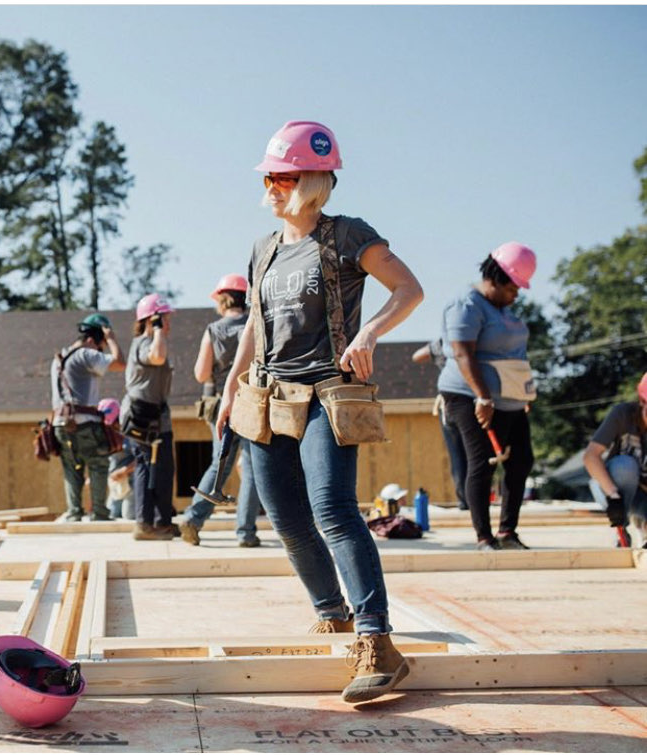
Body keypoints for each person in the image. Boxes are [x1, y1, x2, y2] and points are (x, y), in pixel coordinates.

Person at [216, 120, 424, 704]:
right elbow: (256, 325)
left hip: (327, 394)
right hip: (269, 398)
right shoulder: (263, 248)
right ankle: (330, 612)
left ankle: (377, 641)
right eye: (269, 176)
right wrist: (233, 387)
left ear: (312, 179)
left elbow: (409, 289)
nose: (271, 186)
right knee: (284, 518)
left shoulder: (347, 235)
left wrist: (371, 335)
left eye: (282, 176)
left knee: (332, 510)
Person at [437, 243, 537, 551]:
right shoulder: (466, 306)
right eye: (513, 287)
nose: (516, 294)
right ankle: (484, 537)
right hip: (469, 396)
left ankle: (508, 531)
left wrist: (523, 392)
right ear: (495, 278)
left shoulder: (502, 310)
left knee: (521, 460)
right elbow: (462, 353)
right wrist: (483, 397)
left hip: (510, 397)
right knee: (483, 463)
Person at [179, 274, 261, 547]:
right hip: (252, 401)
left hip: (221, 405)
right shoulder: (256, 325)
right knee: (250, 467)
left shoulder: (214, 330)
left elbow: (202, 374)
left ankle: (193, 517)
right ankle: (246, 533)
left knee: (220, 463)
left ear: (223, 299)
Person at [50, 314, 125, 521]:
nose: (100, 351)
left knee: (72, 468)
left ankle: (74, 513)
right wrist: (111, 339)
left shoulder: (59, 358)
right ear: (93, 339)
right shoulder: (85, 354)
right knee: (98, 463)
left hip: (60, 424)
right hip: (84, 422)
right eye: (100, 346)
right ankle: (100, 513)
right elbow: (120, 363)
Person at [123, 293, 178, 540]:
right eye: (164, 318)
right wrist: (156, 329)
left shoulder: (156, 341)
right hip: (142, 415)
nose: (168, 323)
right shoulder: (144, 343)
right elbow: (157, 357)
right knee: (148, 467)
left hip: (157, 415)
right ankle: (145, 524)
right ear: (151, 320)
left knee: (164, 468)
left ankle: (162, 521)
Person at [583, 371, 647, 547]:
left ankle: (643, 525)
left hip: (643, 497)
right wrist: (614, 496)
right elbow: (590, 456)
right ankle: (622, 531)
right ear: (642, 402)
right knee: (625, 466)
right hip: (613, 488)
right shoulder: (623, 415)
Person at [412, 339, 469, 510]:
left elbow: (417, 356)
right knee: (474, 454)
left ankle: (465, 499)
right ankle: (473, 498)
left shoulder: (443, 343)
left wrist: (437, 350)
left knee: (457, 455)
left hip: (449, 403)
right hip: (470, 400)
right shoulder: (470, 339)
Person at [100, 398, 135, 519]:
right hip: (115, 486)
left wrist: (124, 471)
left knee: (129, 516)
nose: (111, 427)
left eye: (113, 423)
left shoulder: (130, 434)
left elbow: (142, 459)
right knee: (112, 514)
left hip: (132, 484)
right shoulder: (104, 435)